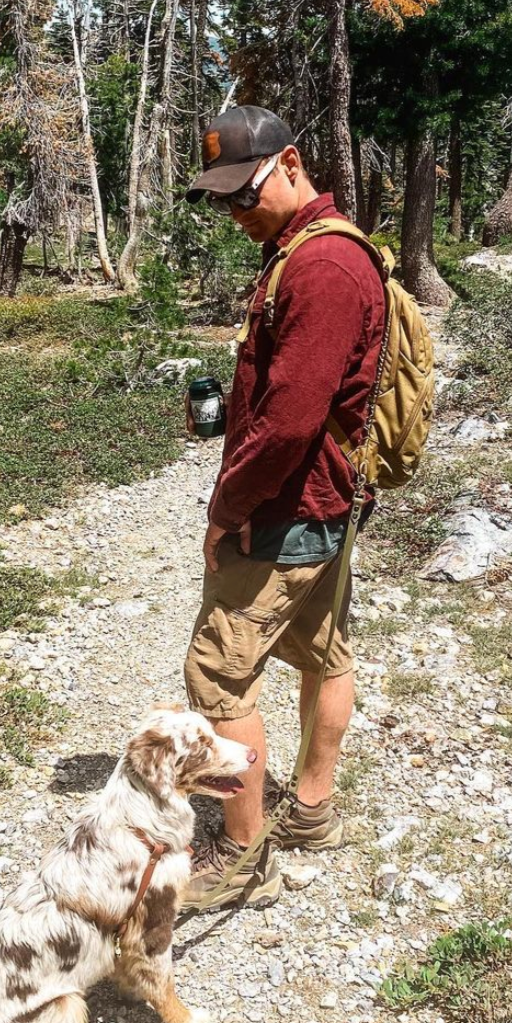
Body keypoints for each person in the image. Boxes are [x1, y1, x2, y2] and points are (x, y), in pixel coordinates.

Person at [181, 105, 386, 910]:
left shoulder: (321, 268)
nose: (235, 213)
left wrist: (225, 507)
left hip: (287, 508)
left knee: (217, 679)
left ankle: (243, 856)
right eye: (221, 200)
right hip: (323, 503)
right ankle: (310, 811)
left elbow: (294, 420)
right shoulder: (299, 250)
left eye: (245, 192)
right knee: (323, 649)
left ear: (292, 162)